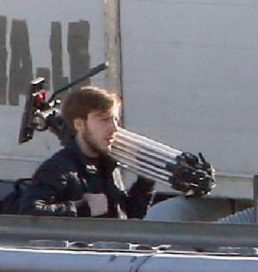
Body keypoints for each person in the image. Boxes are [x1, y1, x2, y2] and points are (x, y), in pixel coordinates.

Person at [8, 86, 154, 219]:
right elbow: (30, 211)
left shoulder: (107, 165)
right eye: (104, 120)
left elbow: (127, 218)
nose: (114, 129)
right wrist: (82, 208)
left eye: (115, 120)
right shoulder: (60, 169)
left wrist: (145, 183)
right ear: (79, 124)